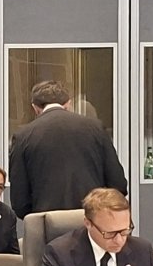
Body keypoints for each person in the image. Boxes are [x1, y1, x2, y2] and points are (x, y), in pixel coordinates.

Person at [9, 80, 127, 218]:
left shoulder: (23, 136)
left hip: (46, 220)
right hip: (92, 217)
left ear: (35, 108)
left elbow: (19, 199)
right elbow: (118, 183)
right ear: (68, 104)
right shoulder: (96, 128)